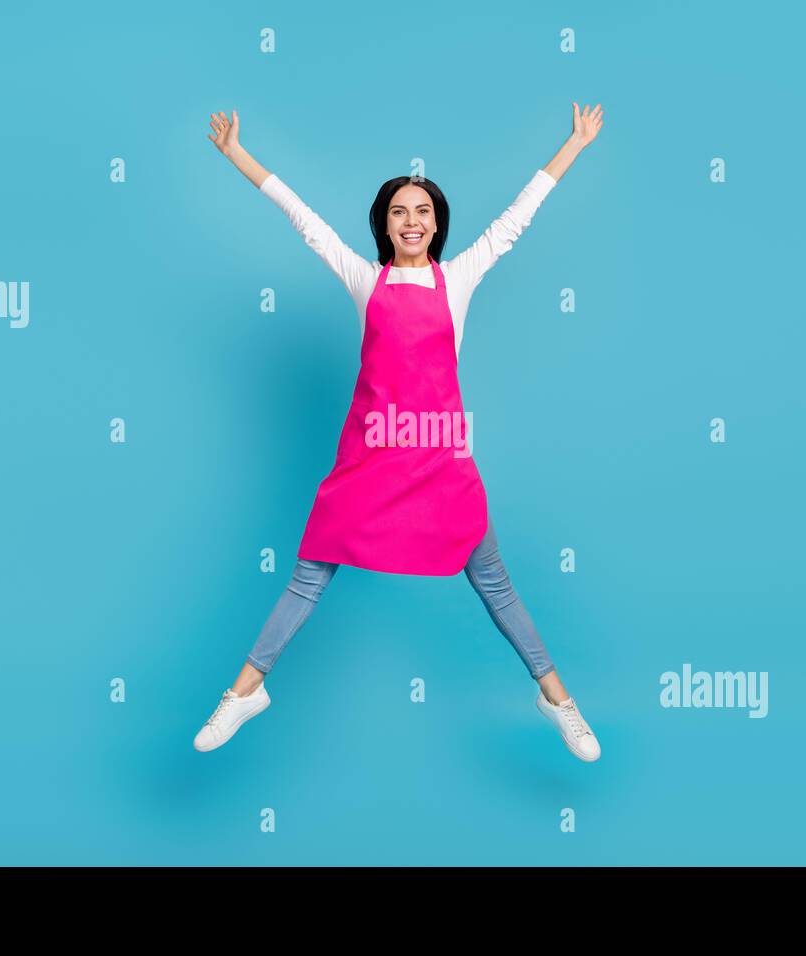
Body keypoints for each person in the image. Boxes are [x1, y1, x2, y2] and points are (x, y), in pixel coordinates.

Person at [196, 103, 605, 762]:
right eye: (398, 212)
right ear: (383, 226)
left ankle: (559, 701)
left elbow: (516, 220)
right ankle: (245, 692)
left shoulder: (460, 278)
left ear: (437, 223)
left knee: (494, 584)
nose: (412, 221)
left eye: (422, 211)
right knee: (308, 576)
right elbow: (304, 220)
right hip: (371, 461)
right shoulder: (366, 279)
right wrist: (237, 155)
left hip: (441, 463)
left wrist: (575, 144)